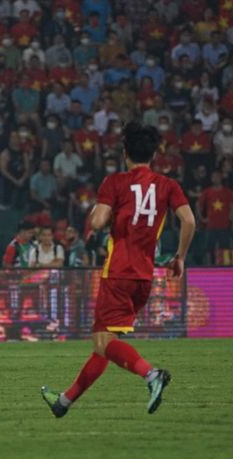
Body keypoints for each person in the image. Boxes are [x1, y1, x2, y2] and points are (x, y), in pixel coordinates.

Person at [41, 122, 196, 417]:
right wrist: (180, 257)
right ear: (153, 155)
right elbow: (189, 221)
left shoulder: (115, 182)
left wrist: (98, 212)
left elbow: (98, 222)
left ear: (125, 153)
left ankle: (151, 375)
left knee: (103, 340)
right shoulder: (168, 185)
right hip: (144, 277)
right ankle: (64, 402)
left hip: (118, 273)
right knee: (104, 344)